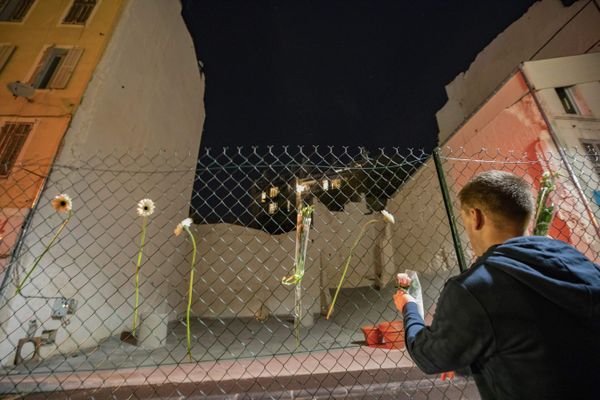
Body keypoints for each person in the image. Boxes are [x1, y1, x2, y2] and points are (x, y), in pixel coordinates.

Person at [393, 170, 600, 399]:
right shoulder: (578, 262)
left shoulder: (474, 287)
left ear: (476, 216)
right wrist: (462, 352)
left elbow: (428, 357)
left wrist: (409, 307)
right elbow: (539, 338)